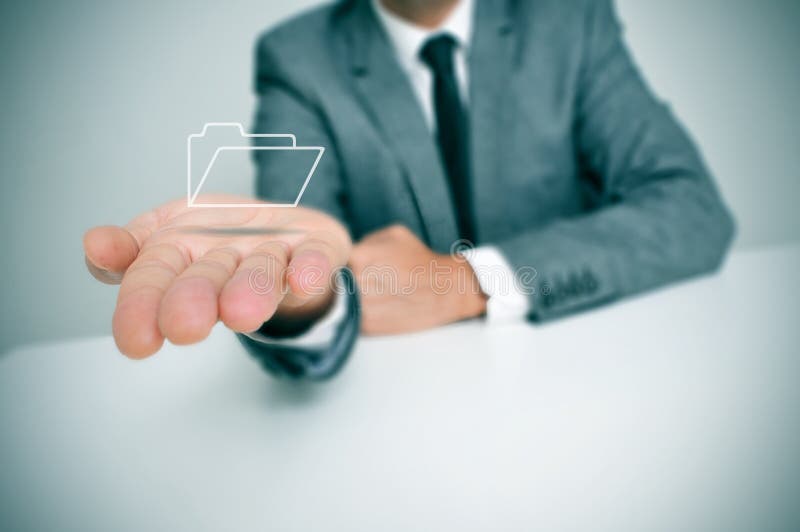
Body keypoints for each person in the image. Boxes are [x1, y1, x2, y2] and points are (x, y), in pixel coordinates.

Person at [83, 0, 735, 380]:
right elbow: (297, 248)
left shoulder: (569, 19)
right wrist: (299, 301)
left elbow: (693, 208)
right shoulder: (297, 57)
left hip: (592, 373)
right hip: (406, 416)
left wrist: (466, 281)